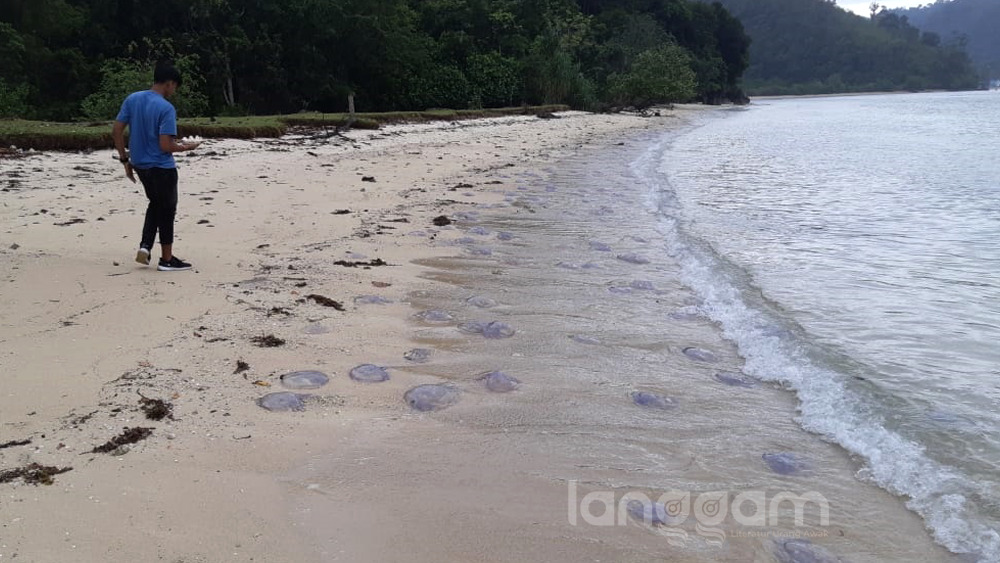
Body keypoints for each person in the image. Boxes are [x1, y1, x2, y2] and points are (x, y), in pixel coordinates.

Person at [112, 63, 201, 271]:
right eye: (174, 87)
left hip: (140, 164)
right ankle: (167, 259)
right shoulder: (165, 108)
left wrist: (125, 161)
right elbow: (165, 145)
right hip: (162, 167)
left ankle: (145, 247)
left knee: (156, 203)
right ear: (169, 83)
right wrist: (187, 147)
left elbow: (116, 131)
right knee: (167, 209)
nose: (174, 91)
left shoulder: (133, 99)